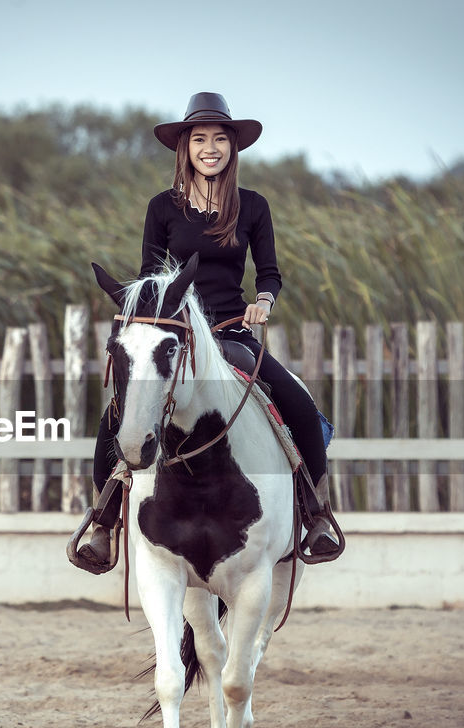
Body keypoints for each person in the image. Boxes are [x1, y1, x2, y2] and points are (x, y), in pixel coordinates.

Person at [71, 92, 339, 573]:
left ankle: (317, 514)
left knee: (296, 402)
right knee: (116, 414)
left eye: (219, 139)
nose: (210, 147)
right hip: (175, 335)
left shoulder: (253, 206)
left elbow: (270, 272)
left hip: (230, 333)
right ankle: (102, 523)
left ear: (233, 147)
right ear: (185, 147)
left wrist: (263, 302)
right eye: (200, 139)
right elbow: (151, 275)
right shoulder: (162, 207)